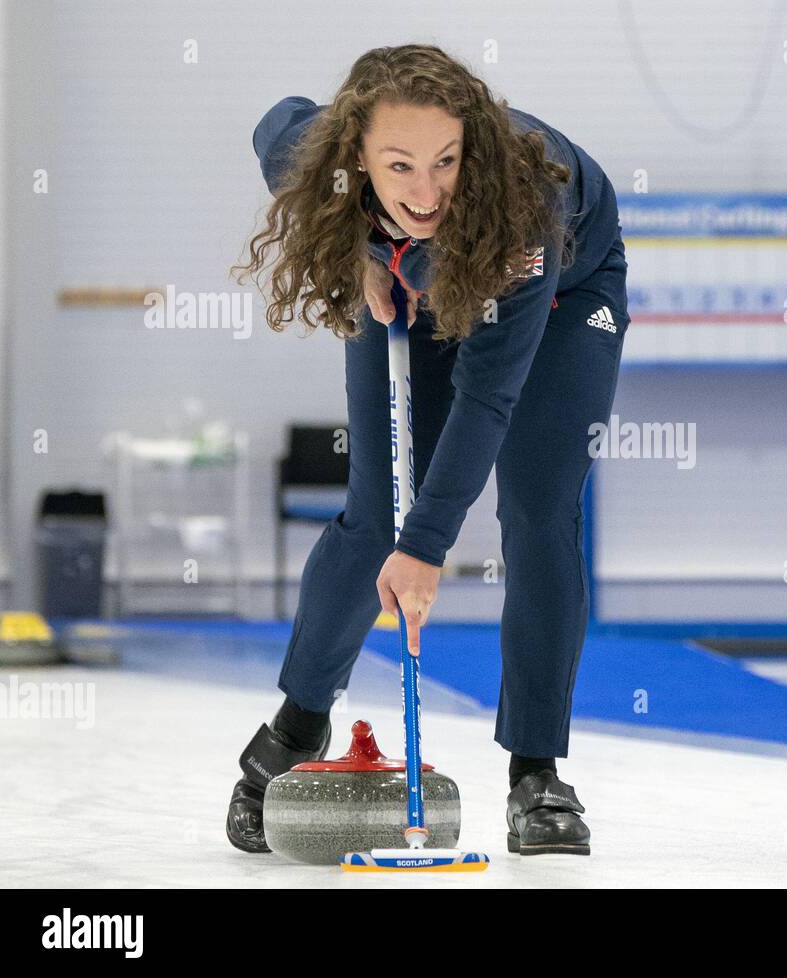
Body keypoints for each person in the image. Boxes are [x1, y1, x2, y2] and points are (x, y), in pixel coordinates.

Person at [226, 43, 630, 857]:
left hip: (558, 299)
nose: (425, 190)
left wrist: (427, 550)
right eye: (399, 165)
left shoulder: (525, 208)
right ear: (355, 157)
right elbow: (274, 123)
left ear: (472, 146)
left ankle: (536, 772)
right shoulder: (317, 162)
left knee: (540, 512)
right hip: (416, 287)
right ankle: (295, 725)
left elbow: (489, 397)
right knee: (376, 517)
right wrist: (358, 251)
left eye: (446, 162)